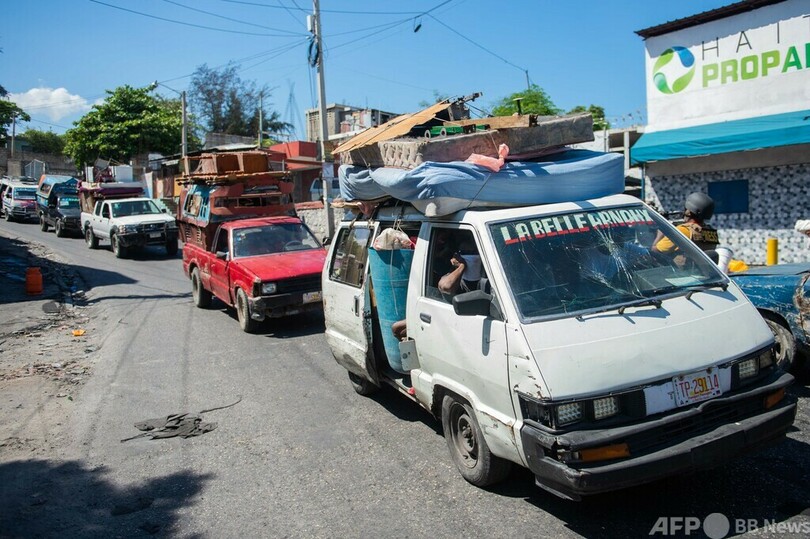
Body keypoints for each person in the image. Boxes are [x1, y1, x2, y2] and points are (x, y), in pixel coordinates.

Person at [652, 192, 720, 255]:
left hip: (685, 268)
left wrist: (660, 233)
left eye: (685, 209)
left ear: (689, 212)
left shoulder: (683, 230)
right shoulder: (711, 232)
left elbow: (656, 250)